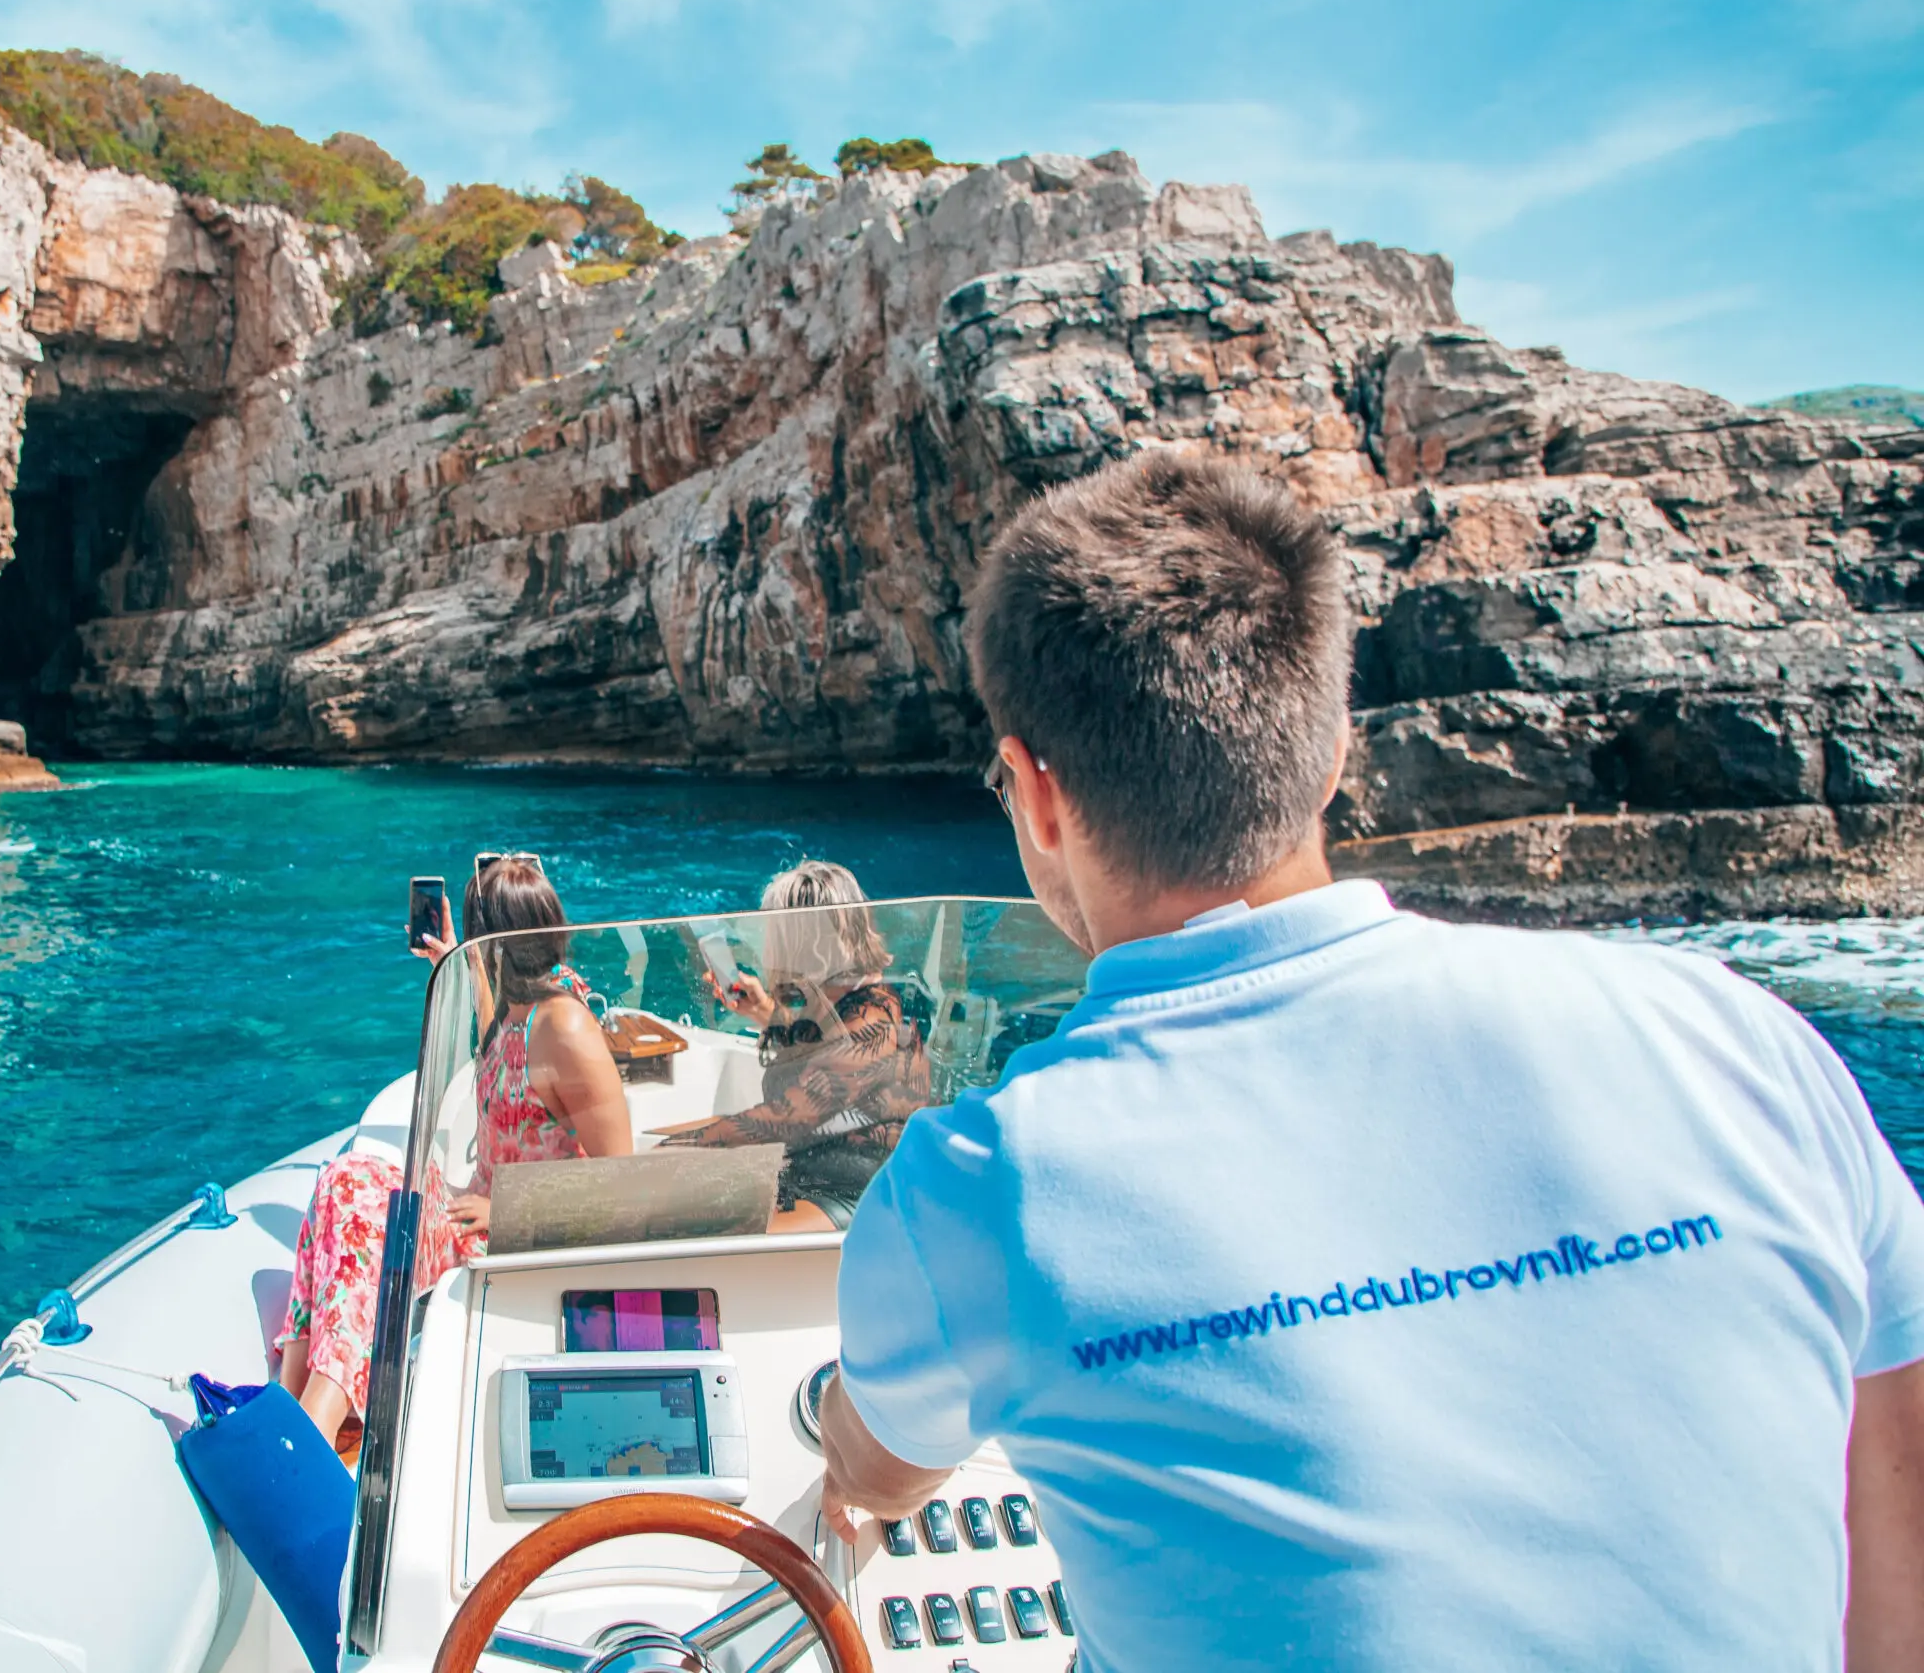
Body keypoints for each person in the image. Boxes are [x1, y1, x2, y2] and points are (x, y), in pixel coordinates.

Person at [818, 451, 1924, 1671]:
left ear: (1034, 797)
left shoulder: (977, 1187)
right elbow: (1895, 1516)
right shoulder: (1736, 1034)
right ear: (1333, 749)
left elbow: (876, 1472)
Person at [276, 856, 630, 1443]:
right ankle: (291, 1395)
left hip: (515, 1233)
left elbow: (625, 1185)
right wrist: (450, 962)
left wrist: (507, 1211)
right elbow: (498, 1043)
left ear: (497, 943)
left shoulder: (566, 1028)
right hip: (476, 1208)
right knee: (343, 1178)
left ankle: (318, 1421)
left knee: (370, 1220)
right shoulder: (522, 1009)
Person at [662, 860, 931, 1229]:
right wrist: (765, 1013)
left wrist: (679, 1150)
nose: (766, 941)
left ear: (800, 940)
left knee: (695, 1222)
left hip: (856, 1191)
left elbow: (791, 1116)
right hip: (804, 1165)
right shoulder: (838, 996)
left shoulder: (873, 1018)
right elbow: (821, 1055)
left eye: (774, 930)